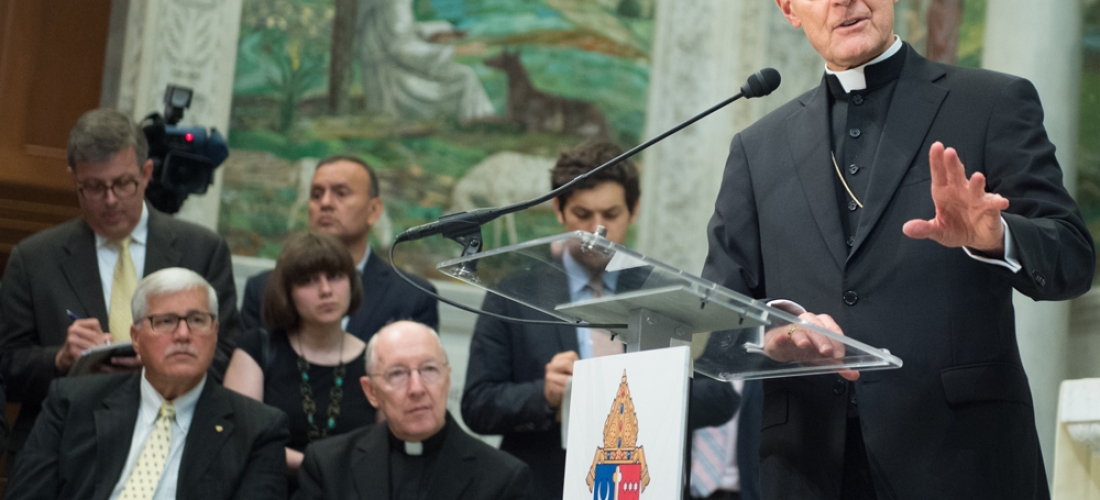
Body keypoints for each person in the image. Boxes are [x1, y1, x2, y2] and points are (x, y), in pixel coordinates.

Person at [701, 1, 1096, 499]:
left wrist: (995, 237)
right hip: (809, 466)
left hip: (962, 461)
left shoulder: (991, 101)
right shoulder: (757, 149)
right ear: (789, 9)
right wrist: (773, 332)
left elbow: (1074, 258)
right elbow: (714, 315)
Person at [462, 141, 739, 500]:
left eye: (611, 215)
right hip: (545, 484)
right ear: (558, 209)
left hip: (644, 483)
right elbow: (477, 405)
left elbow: (721, 397)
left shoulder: (667, 294)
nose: (598, 231)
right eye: (582, 214)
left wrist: (655, 393)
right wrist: (544, 396)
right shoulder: (513, 294)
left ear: (634, 210)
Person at [0, 108, 240, 459]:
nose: (110, 200)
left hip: (172, 443)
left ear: (146, 174)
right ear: (75, 180)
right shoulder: (34, 258)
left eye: (123, 184)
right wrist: (60, 360)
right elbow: (7, 366)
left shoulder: (201, 251)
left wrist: (163, 362)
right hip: (62, 447)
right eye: (94, 187)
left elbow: (225, 356)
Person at [5, 268, 288, 500]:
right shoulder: (71, 403)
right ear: (136, 338)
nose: (183, 334)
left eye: (197, 320)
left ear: (215, 333)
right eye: (165, 321)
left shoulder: (258, 429)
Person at [294, 321, 532, 500]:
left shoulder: (502, 478)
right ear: (371, 391)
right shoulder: (329, 466)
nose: (417, 388)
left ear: (447, 380)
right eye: (397, 373)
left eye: (429, 369)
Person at [225, 231, 375, 480]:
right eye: (308, 281)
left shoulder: (375, 358)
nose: (326, 290)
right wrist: (317, 465)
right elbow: (239, 437)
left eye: (335, 276)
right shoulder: (257, 348)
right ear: (287, 293)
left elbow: (388, 448)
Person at [240, 155, 438, 343]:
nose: (325, 203)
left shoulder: (412, 297)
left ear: (374, 210)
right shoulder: (263, 289)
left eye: (341, 193)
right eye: (316, 195)